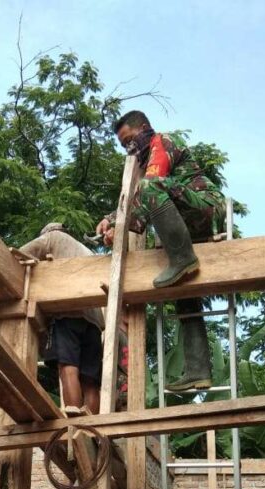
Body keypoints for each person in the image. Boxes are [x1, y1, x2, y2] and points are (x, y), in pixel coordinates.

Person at [96, 110, 226, 392]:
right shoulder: (144, 163)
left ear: (144, 128)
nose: (129, 148)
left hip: (205, 208)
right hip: (186, 225)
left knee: (149, 186)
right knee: (184, 296)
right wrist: (112, 220)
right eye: (124, 145)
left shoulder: (163, 143)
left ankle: (183, 258)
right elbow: (136, 198)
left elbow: (150, 188)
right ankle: (198, 371)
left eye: (130, 140)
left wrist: (121, 225)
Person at [19, 223, 104, 414]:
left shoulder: (52, 237)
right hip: (94, 321)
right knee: (90, 379)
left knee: (68, 367)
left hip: (67, 313)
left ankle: (74, 421)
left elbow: (20, 254)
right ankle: (92, 425)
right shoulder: (87, 251)